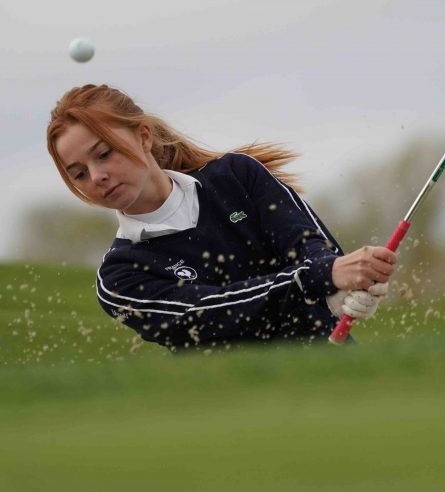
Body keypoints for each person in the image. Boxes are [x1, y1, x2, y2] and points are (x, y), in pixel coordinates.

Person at [46, 84, 397, 351]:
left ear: (143, 137)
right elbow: (206, 312)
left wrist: (342, 281)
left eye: (104, 154)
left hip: (341, 379)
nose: (96, 177)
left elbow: (308, 245)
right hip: (231, 416)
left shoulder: (236, 178)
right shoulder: (119, 276)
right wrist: (316, 281)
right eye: (78, 174)